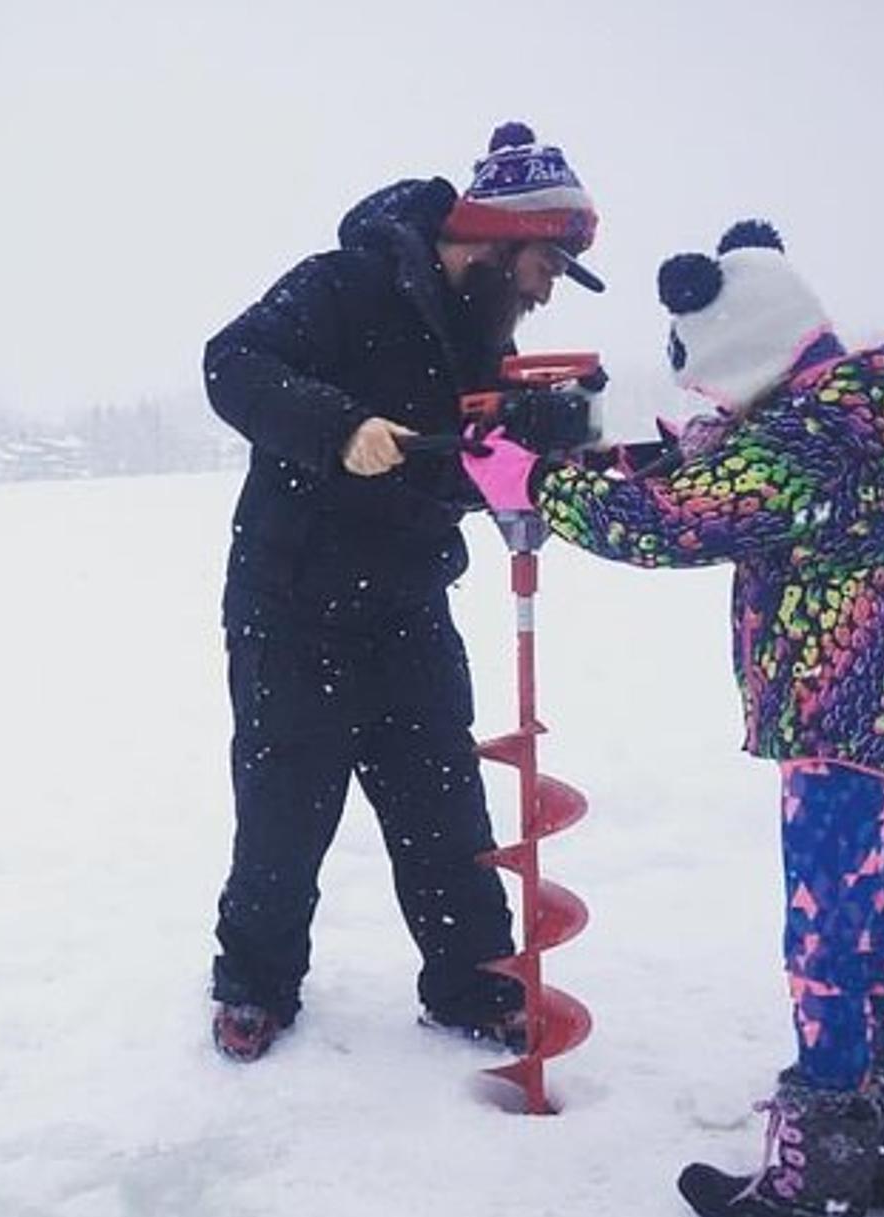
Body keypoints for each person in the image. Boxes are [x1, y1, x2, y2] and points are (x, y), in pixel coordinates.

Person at [459, 220, 884, 1217]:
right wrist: (641, 456)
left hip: (838, 716)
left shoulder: (799, 445)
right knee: (874, 930)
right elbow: (723, 475)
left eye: (703, 374)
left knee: (821, 941)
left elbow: (678, 522)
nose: (699, 397)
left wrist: (536, 487)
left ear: (741, 345)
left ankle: (817, 1188)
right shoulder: (861, 414)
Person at [202, 122, 605, 1063]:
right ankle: (255, 983)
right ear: (495, 241)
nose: (545, 292)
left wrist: (546, 441)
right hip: (291, 605)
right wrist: (339, 428)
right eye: (544, 264)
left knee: (444, 810)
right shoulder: (345, 284)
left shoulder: (481, 335)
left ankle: (472, 982)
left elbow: (467, 466)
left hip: (409, 606)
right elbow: (232, 363)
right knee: (284, 811)